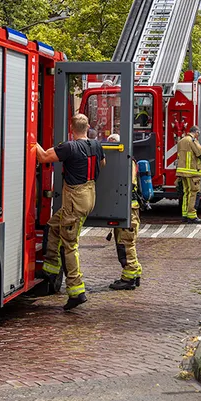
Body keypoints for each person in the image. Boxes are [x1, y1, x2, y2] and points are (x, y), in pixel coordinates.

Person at [35, 114, 105, 310]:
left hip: (75, 201)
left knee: (70, 245)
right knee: (53, 226)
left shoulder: (69, 147)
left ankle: (76, 291)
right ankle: (50, 269)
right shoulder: (96, 145)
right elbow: (103, 164)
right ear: (88, 127)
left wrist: (31, 138)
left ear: (71, 128)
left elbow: (42, 157)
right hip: (89, 195)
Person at [106, 134, 142, 290]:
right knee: (126, 243)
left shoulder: (126, 162)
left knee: (126, 244)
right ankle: (134, 274)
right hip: (128, 208)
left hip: (129, 210)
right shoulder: (128, 161)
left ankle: (129, 278)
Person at [176, 125, 201, 224]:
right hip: (192, 172)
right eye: (198, 133)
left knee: (186, 193)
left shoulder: (181, 141)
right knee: (193, 193)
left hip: (182, 172)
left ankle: (184, 214)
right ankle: (192, 216)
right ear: (196, 132)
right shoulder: (192, 141)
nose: (198, 135)